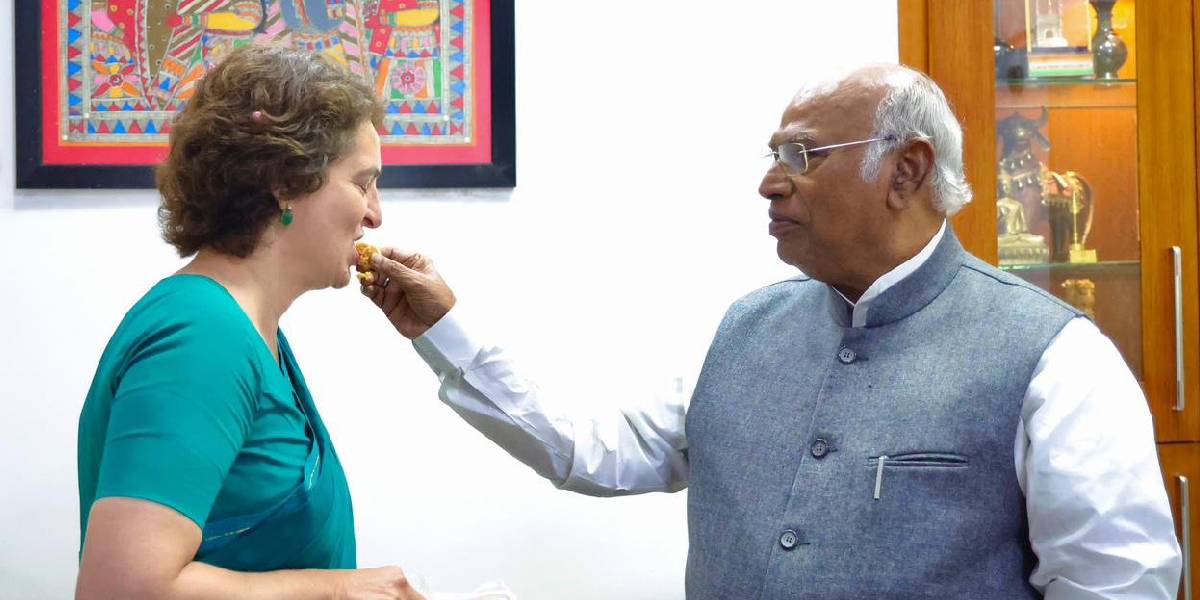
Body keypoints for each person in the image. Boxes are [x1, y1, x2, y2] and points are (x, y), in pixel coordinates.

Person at [360, 64, 1182, 598]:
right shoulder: (752, 327)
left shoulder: (1057, 360)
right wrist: (446, 330)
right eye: (773, 152)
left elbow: (1118, 586)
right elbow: (595, 450)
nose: (768, 182)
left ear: (907, 170)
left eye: (803, 154)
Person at [76, 45, 424, 599]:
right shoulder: (200, 338)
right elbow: (120, 589)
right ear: (286, 181)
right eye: (362, 183)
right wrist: (341, 590)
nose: (375, 214)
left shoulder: (247, 328)